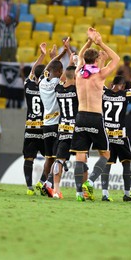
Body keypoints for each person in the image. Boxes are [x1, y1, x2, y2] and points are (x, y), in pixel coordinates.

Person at [70, 28, 120, 202]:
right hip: (95, 117)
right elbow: (117, 59)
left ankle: (78, 193)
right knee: (105, 154)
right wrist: (100, 42)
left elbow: (82, 55)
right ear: (96, 60)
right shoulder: (100, 75)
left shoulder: (78, 74)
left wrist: (89, 42)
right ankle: (90, 181)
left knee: (80, 156)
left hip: (80, 116)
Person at [35, 39, 71, 197]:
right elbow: (70, 69)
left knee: (49, 157)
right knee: (59, 158)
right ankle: (50, 184)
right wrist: (65, 52)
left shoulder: (42, 82)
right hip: (58, 125)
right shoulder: (58, 83)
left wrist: (55, 56)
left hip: (46, 124)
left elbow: (50, 68)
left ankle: (43, 182)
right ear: (58, 72)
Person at [100, 76, 131, 202]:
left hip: (106, 136)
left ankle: (105, 194)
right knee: (126, 163)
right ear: (122, 86)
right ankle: (127, 194)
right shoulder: (125, 94)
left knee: (107, 164)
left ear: (112, 83)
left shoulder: (104, 92)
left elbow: (99, 82)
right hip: (120, 135)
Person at [53, 64, 78, 199]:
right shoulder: (77, 89)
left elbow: (65, 77)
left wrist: (70, 60)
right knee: (82, 160)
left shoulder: (58, 89)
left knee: (59, 160)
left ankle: (56, 190)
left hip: (63, 128)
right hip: (76, 130)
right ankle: (81, 191)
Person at [22, 64, 46, 195]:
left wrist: (41, 56)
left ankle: (29, 187)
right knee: (51, 158)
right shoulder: (48, 88)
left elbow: (32, 73)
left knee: (28, 158)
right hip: (44, 128)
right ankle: (42, 182)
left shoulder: (28, 85)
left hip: (30, 128)